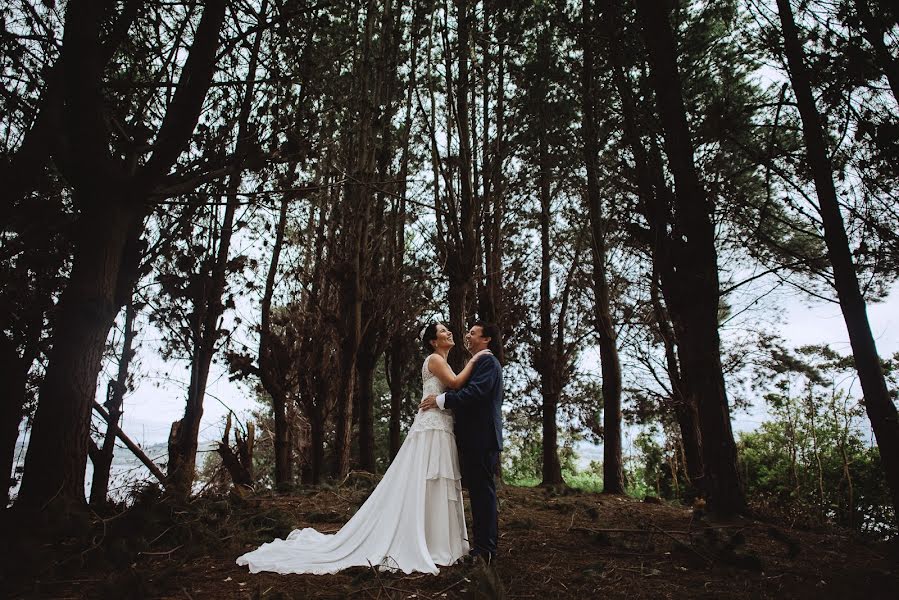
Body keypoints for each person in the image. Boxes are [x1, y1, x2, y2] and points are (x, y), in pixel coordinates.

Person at [235, 323, 491, 575]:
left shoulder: (439, 360)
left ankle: (439, 540)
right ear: (434, 341)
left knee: (437, 478)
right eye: (443, 331)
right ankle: (430, 541)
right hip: (432, 428)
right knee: (429, 478)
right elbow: (456, 384)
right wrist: (478, 357)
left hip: (440, 424)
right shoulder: (435, 359)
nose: (449, 332)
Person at [420, 321, 503, 564]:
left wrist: (441, 401)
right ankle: (480, 548)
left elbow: (474, 394)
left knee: (482, 494)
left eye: (473, 333)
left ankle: (486, 550)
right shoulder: (476, 361)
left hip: (482, 437)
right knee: (478, 493)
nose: (467, 335)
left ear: (486, 339)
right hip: (473, 438)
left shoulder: (487, 361)